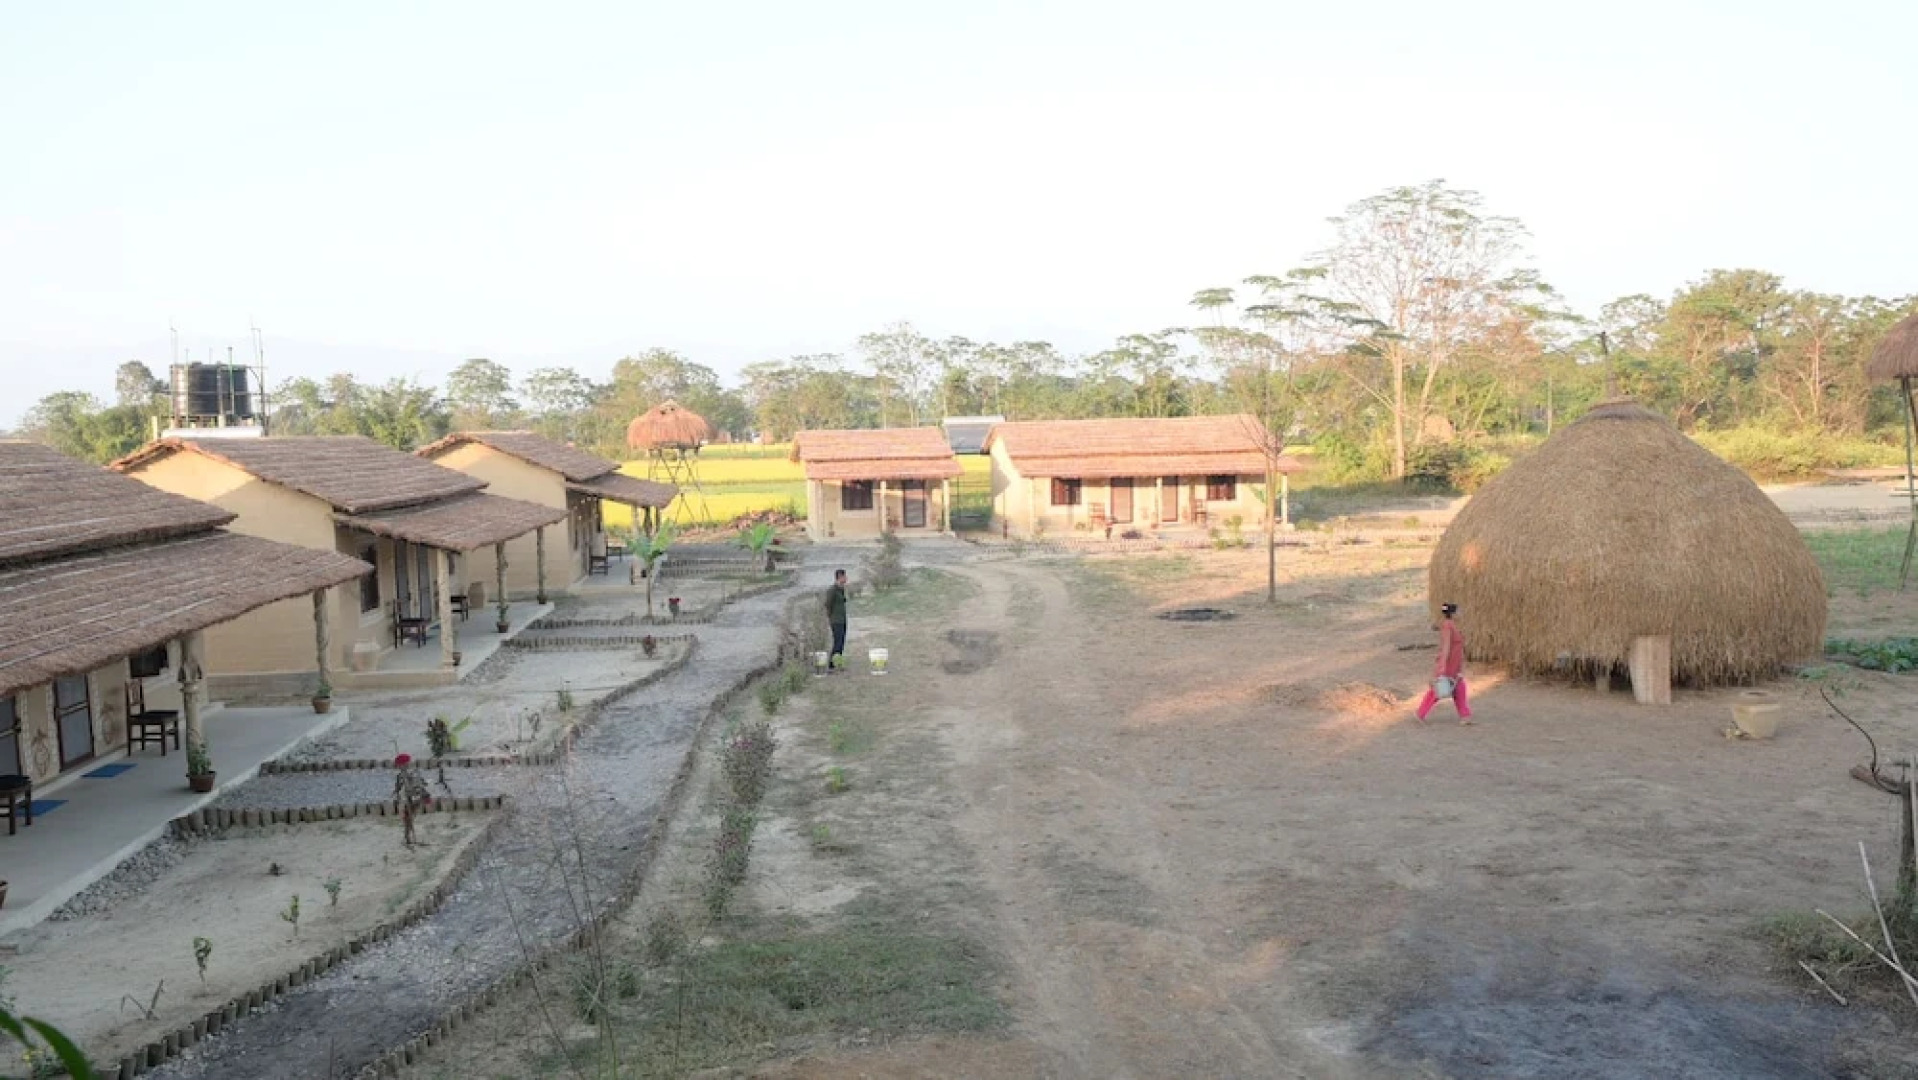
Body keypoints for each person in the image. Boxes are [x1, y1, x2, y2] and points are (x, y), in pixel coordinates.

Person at [1416, 602, 1472, 723]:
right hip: (1448, 666)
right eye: (1458, 611)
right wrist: (1441, 669)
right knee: (1438, 691)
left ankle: (1465, 716)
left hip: (1454, 665)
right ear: (1452, 613)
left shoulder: (1453, 626)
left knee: (1459, 688)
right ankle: (1421, 713)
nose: (1460, 613)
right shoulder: (1448, 626)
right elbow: (1446, 648)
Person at [826, 569, 849, 672]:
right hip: (836, 621)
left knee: (842, 642)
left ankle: (838, 663)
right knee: (837, 642)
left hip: (843, 620)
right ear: (839, 577)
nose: (846, 578)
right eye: (844, 577)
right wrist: (831, 617)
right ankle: (831, 665)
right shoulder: (832, 590)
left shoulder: (841, 589)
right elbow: (828, 604)